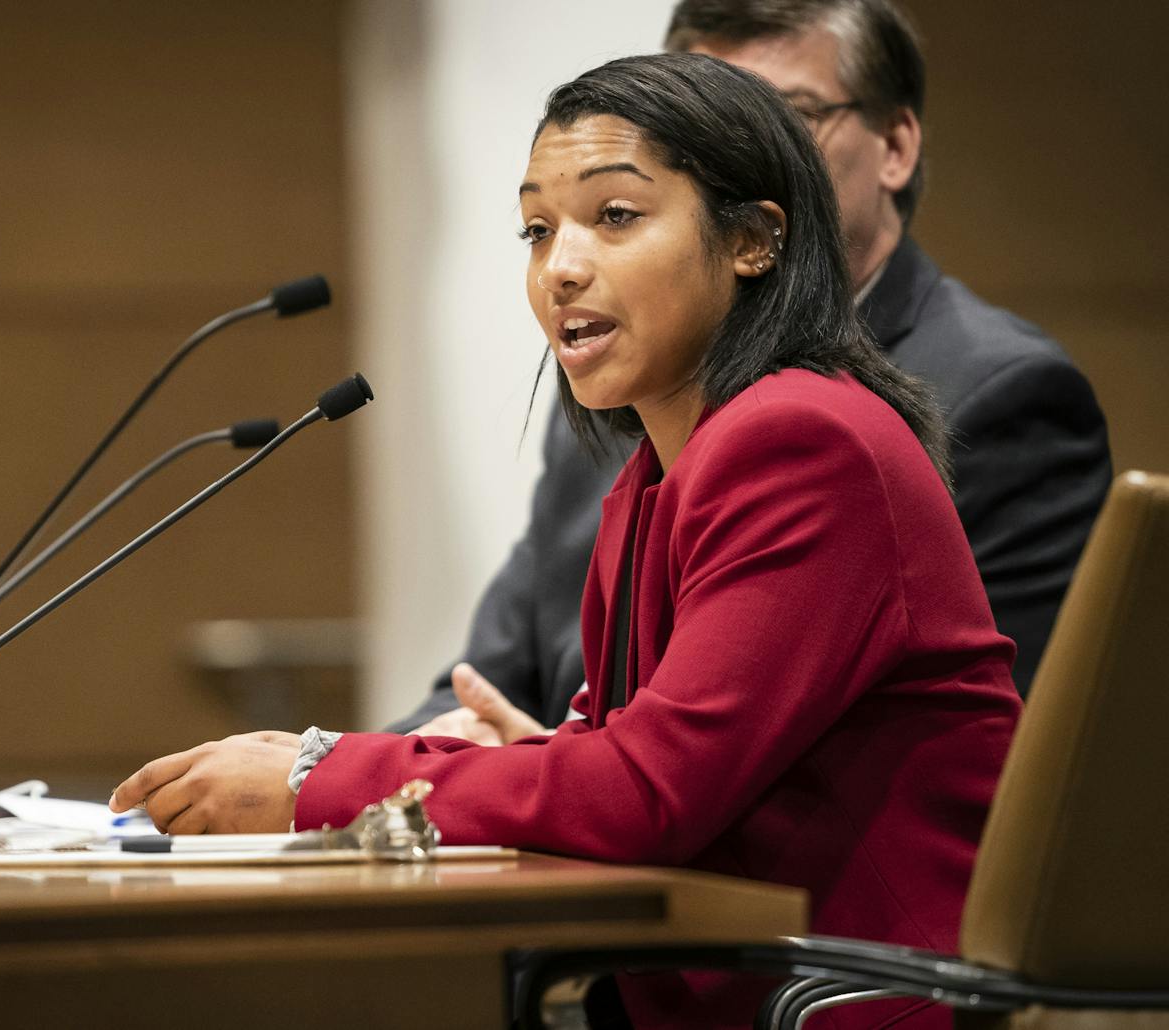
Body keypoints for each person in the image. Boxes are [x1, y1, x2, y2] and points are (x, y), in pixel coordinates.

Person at [112, 53, 1023, 1029]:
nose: (561, 267)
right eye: (536, 229)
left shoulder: (803, 443)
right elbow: (636, 760)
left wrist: (313, 774)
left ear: (755, 239)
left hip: (855, 999)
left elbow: (644, 792)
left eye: (614, 216)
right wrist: (542, 758)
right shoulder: (653, 476)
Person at [395, 0, 1110, 745]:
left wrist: (531, 775)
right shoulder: (633, 391)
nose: (563, 268)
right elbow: (495, 685)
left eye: (782, 115)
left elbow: (1021, 764)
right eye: (537, 230)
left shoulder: (950, 405)